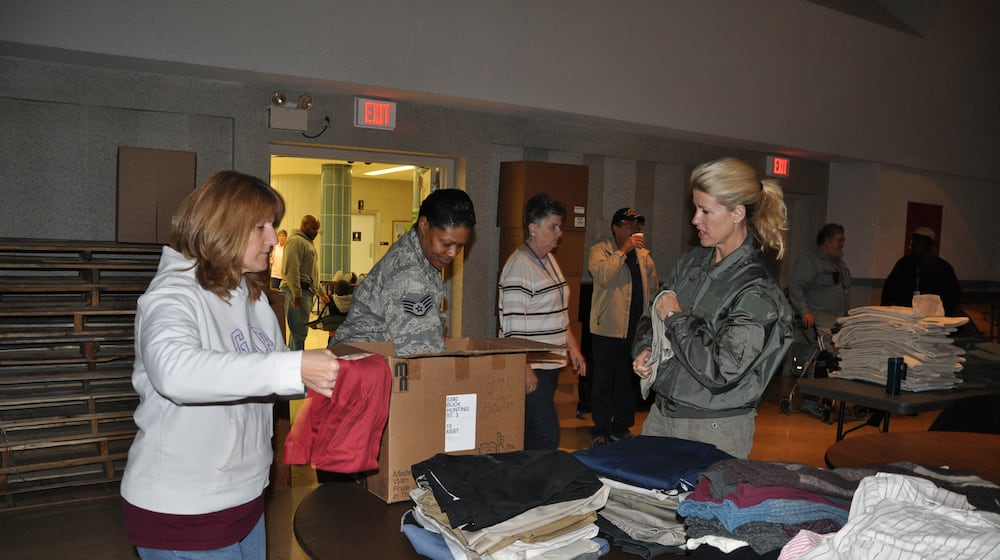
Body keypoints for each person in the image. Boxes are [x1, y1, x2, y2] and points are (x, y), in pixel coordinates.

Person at [120, 170, 344, 560]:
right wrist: (292, 369)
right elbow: (176, 371)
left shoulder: (252, 295)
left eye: (272, 225)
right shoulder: (172, 295)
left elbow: (276, 375)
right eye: (261, 226)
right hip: (183, 508)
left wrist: (340, 371)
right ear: (221, 228)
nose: (274, 238)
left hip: (243, 498)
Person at [632, 157, 793, 459]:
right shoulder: (691, 263)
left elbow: (723, 370)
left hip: (713, 428)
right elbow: (652, 313)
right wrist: (645, 347)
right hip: (661, 416)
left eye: (705, 211)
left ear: (737, 213)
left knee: (696, 508)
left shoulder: (757, 290)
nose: (695, 219)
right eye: (695, 208)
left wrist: (675, 318)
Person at [329, 188, 476, 356]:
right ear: (423, 225)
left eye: (460, 245)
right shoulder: (409, 278)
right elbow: (422, 357)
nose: (453, 253)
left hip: (369, 361)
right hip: (360, 367)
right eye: (446, 243)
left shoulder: (418, 253)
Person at [498, 193, 587, 450]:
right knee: (546, 436)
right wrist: (525, 367)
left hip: (549, 364)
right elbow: (513, 328)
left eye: (560, 226)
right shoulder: (519, 266)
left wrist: (573, 348)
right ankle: (532, 483)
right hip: (533, 365)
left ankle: (527, 483)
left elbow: (559, 310)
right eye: (553, 227)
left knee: (533, 434)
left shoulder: (548, 259)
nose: (559, 233)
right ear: (533, 228)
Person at [586, 207, 659, 446]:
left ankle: (621, 426)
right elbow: (604, 277)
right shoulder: (600, 251)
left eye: (636, 226)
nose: (634, 230)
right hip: (607, 328)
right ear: (615, 227)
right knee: (604, 381)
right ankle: (601, 428)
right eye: (628, 225)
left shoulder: (644, 256)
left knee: (627, 381)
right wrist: (623, 250)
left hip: (635, 329)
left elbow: (654, 290)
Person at [788, 223, 850, 417]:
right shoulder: (810, 261)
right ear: (827, 241)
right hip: (817, 321)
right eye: (839, 239)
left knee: (834, 360)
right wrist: (805, 311)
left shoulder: (837, 263)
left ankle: (827, 398)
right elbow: (795, 287)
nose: (843, 243)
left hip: (835, 322)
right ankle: (810, 400)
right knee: (821, 360)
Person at [880, 226, 962, 316]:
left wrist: (943, 317)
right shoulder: (903, 263)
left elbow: (953, 296)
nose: (914, 244)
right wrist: (885, 313)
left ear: (930, 244)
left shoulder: (943, 268)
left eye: (919, 241)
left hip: (932, 319)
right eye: (914, 240)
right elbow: (889, 290)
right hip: (904, 316)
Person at [280, 215, 328, 350]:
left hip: (305, 291)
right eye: (313, 228)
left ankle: (292, 362)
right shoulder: (296, 242)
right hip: (296, 292)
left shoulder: (307, 243)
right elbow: (291, 270)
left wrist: (321, 292)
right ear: (304, 225)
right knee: (299, 332)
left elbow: (311, 273)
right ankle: (296, 365)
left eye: (317, 230)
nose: (316, 232)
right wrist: (297, 294)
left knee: (298, 332)